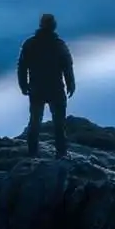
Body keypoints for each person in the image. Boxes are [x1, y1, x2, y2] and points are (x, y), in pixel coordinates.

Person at [17, 13, 76, 159]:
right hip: (55, 88)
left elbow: (22, 67)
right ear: (54, 25)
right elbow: (67, 66)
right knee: (59, 124)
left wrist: (23, 85)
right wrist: (71, 84)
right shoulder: (59, 44)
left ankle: (32, 153)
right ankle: (61, 154)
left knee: (35, 121)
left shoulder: (30, 44)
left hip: (36, 88)